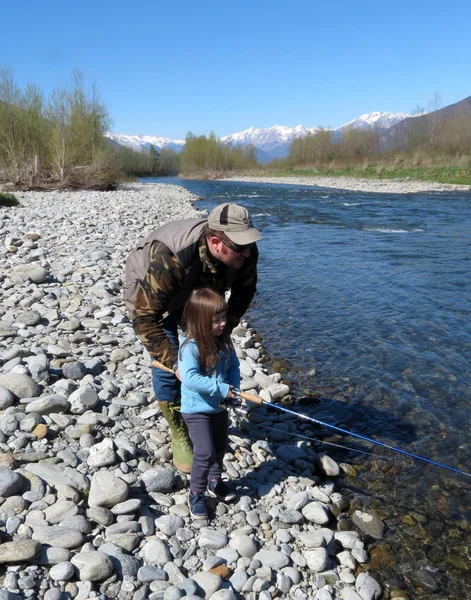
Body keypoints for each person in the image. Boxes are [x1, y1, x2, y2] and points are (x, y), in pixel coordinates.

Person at [124, 203, 262, 473]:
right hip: (153, 287)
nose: (248, 252)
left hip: (205, 288)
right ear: (215, 241)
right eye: (240, 247)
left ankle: (202, 408)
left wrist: (224, 331)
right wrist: (177, 366)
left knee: (210, 345)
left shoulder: (244, 250)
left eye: (249, 244)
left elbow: (244, 294)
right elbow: (145, 320)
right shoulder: (170, 258)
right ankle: (179, 427)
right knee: (171, 355)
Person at [178, 288, 239, 518]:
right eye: (216, 320)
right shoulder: (190, 347)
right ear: (200, 322)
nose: (223, 324)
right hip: (196, 410)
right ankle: (196, 493)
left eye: (224, 318)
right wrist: (221, 389)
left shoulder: (223, 341)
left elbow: (233, 366)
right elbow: (191, 378)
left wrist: (234, 389)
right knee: (204, 452)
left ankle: (215, 480)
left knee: (220, 447)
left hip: (219, 407)